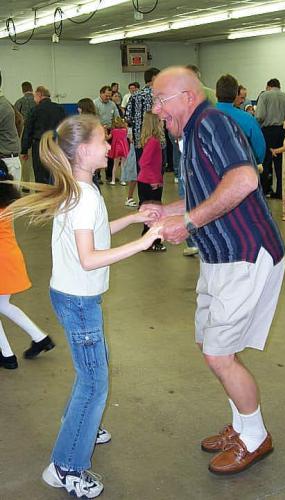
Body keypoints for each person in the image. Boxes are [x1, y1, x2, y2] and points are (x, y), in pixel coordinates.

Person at [3, 113, 161, 498]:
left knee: (93, 369)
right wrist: (144, 241)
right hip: (78, 301)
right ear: (84, 150)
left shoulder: (77, 187)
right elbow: (90, 257)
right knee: (95, 381)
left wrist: (136, 218)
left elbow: (92, 236)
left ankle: (82, 423)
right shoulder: (85, 194)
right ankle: (67, 466)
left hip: (70, 296)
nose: (111, 146)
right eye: (104, 141)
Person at [143, 66, 285, 475]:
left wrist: (186, 223)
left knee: (219, 354)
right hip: (219, 256)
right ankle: (242, 426)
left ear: (188, 97)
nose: (155, 109)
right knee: (213, 347)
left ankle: (255, 438)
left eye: (160, 100)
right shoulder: (192, 134)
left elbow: (243, 181)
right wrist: (167, 210)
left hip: (244, 253)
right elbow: (205, 195)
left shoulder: (212, 123)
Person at [0, 160, 54, 369]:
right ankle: (40, 338)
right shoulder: (8, 202)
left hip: (2, 260)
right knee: (3, 304)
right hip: (11, 257)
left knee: (3, 305)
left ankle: (7, 356)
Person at [256, 78, 285, 199]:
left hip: (268, 131)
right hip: (283, 132)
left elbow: (260, 115)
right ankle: (280, 191)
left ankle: (265, 190)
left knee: (266, 162)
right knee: (280, 163)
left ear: (268, 86)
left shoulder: (264, 96)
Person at [216, 74, 266, 165]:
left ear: (216, 93)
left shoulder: (202, 118)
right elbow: (260, 148)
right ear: (236, 94)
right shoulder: (247, 119)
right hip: (241, 168)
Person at [21, 86, 66, 184]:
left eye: (34, 96)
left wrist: (24, 150)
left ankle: (43, 197)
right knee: (55, 174)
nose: (34, 99)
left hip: (39, 146)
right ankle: (55, 196)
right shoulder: (60, 109)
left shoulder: (35, 110)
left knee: (40, 175)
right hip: (55, 145)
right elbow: (65, 128)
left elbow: (28, 131)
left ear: (39, 95)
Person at [138, 111, 165, 252]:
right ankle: (151, 241)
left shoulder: (151, 140)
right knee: (153, 213)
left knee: (150, 212)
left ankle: (149, 239)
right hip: (150, 182)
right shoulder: (153, 141)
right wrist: (154, 180)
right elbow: (143, 162)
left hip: (147, 180)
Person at [0, 71, 22, 181]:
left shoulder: (2, 106)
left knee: (9, 198)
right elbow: (20, 121)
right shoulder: (6, 103)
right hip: (7, 159)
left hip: (7, 162)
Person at [108, 117, 129, 185]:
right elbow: (129, 137)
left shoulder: (113, 131)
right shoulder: (125, 130)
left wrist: (104, 130)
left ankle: (113, 180)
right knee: (123, 165)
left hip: (116, 149)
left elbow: (108, 137)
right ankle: (123, 181)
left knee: (115, 165)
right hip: (124, 149)